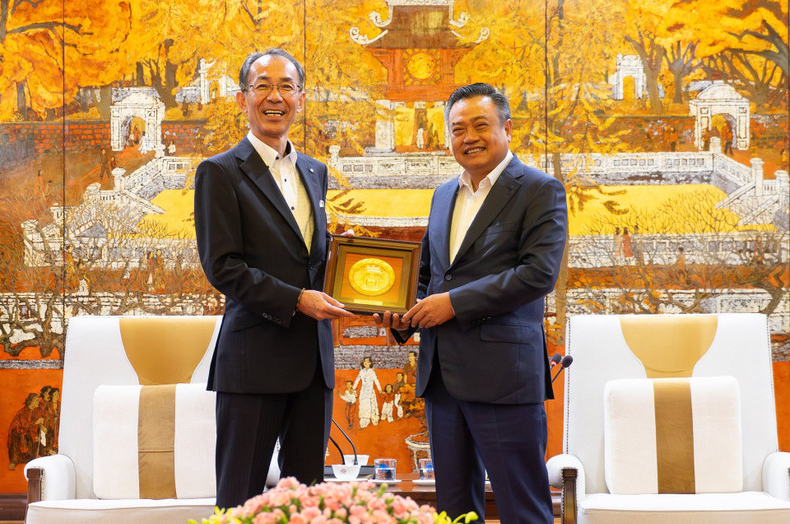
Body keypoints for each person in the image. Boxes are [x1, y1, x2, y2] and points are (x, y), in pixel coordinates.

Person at [375, 83, 567, 523]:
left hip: (504, 378)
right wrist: (405, 315)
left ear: (507, 128)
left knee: (523, 509)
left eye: (481, 125)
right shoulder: (444, 194)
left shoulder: (539, 189)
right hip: (442, 379)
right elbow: (431, 276)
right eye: (458, 129)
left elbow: (538, 274)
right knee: (455, 511)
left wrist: (453, 304)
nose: (469, 137)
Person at [194, 48, 353, 509]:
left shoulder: (315, 172)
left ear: (301, 99)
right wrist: (297, 299)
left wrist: (349, 272)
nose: (275, 97)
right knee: (240, 502)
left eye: (286, 87)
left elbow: (305, 256)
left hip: (313, 364)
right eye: (262, 86)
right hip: (253, 362)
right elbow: (223, 266)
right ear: (242, 98)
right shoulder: (220, 172)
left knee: (305, 504)